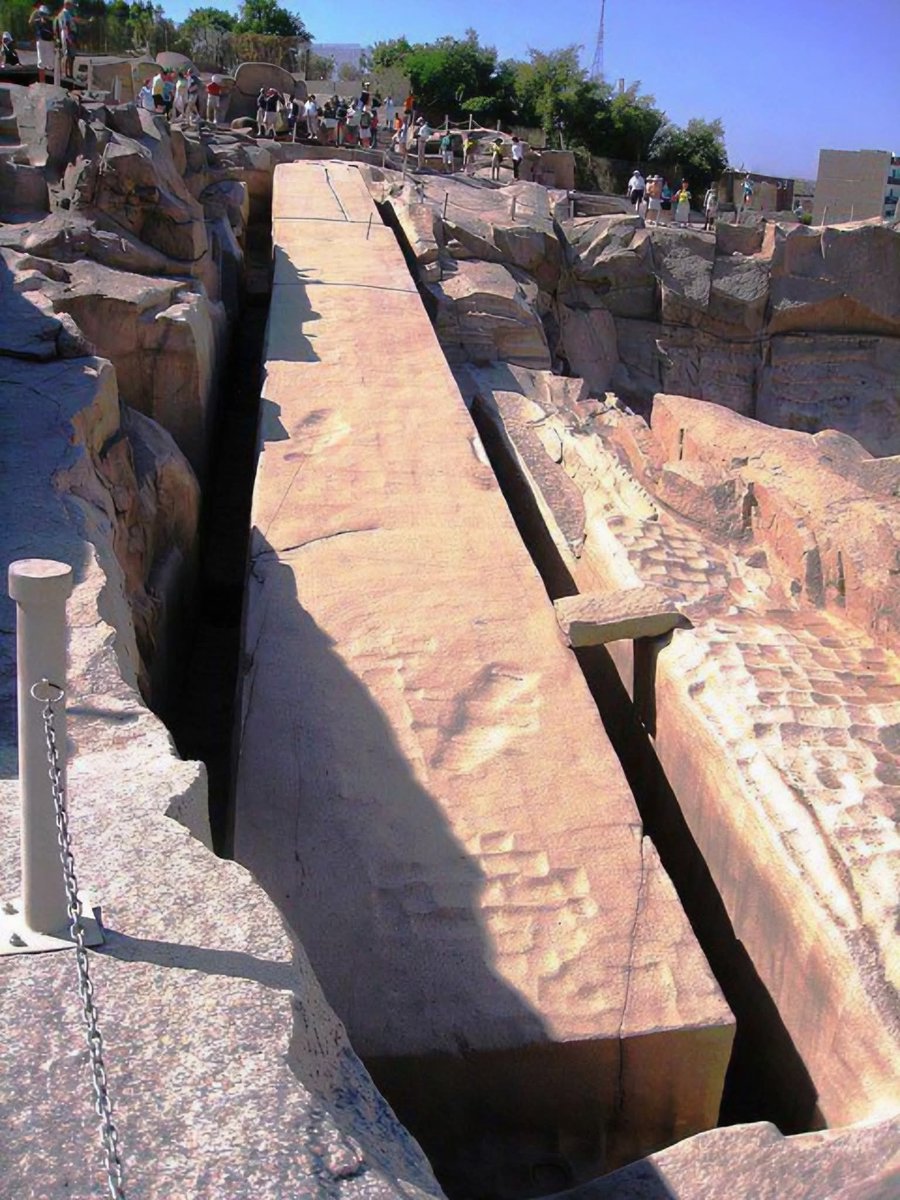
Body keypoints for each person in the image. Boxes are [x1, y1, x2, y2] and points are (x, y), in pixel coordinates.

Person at [55, 0, 84, 80]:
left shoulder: (69, 13)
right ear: (67, 4)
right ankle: (65, 74)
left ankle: (70, 74)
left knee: (72, 55)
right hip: (68, 34)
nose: (72, 7)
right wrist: (68, 37)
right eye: (71, 5)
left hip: (71, 34)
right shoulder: (64, 13)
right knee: (67, 54)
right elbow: (66, 25)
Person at [29, 4, 55, 84]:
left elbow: (54, 31)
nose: (44, 16)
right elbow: (30, 22)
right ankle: (42, 82)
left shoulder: (51, 22)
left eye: (45, 14)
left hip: (50, 42)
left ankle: (51, 81)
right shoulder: (37, 21)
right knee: (41, 62)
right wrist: (35, 11)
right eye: (42, 14)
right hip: (41, 41)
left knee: (50, 61)